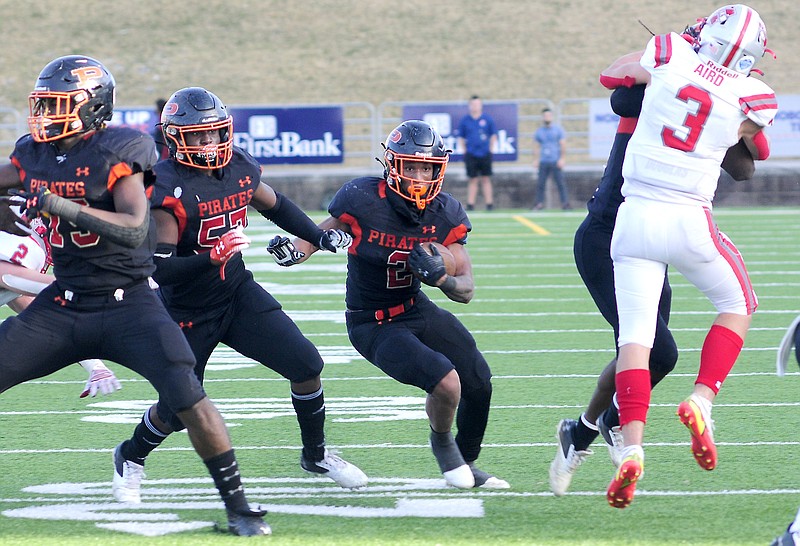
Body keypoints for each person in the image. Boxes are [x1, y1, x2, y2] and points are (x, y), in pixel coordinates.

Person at [0, 55, 269, 535]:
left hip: (130, 303)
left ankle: (239, 507)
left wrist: (63, 207)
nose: (46, 113)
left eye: (58, 103)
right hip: (65, 302)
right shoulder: (34, 153)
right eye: (43, 103)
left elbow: (131, 227)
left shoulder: (123, 148)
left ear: (92, 106)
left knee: (188, 396)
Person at [112, 87, 367, 506]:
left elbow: (275, 204)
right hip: (186, 309)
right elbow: (158, 267)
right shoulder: (169, 189)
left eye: (214, 134)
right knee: (179, 408)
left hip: (236, 293)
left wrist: (317, 237)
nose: (209, 144)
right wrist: (210, 258)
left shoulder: (238, 166)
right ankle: (130, 454)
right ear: (176, 138)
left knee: (306, 365)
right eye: (198, 136)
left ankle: (316, 455)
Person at [601, 5, 777, 509]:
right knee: (738, 303)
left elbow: (612, 73)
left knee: (635, 338)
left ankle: (631, 449)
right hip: (687, 218)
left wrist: (666, 64)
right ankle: (702, 398)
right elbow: (757, 147)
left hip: (633, 218)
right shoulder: (753, 94)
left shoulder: (669, 50)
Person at [268, 120, 509, 490]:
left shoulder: (445, 213)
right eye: (410, 166)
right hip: (372, 322)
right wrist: (292, 252)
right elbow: (318, 235)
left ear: (438, 169)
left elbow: (466, 289)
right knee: (446, 381)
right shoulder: (363, 200)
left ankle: (468, 459)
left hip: (415, 307)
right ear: (392, 165)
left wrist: (440, 278)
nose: (417, 175)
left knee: (478, 379)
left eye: (425, 167)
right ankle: (444, 446)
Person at [549, 76, 756, 496]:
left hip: (648, 237)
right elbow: (620, 95)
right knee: (655, 350)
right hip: (610, 236)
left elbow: (744, 168)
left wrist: (733, 111)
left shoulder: (698, 100)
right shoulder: (662, 87)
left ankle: (591, 428)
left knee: (649, 354)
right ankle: (594, 429)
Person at [0, 205, 122, 399]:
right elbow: (7, 276)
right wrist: (83, 287)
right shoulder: (30, 245)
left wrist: (95, 365)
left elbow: (45, 318)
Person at [457, 96, 496, 211]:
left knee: (485, 178)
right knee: (472, 179)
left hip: (484, 153)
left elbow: (493, 135)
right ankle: (470, 204)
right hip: (471, 153)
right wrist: (464, 150)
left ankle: (489, 204)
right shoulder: (465, 120)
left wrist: (491, 149)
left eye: (477, 104)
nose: (475, 107)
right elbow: (461, 137)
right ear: (470, 106)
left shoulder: (487, 119)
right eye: (473, 104)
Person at [532, 108, 570, 210]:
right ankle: (538, 203)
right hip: (544, 161)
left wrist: (562, 158)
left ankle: (565, 203)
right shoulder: (539, 131)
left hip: (555, 160)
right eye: (545, 116)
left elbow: (563, 145)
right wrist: (536, 159)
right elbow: (536, 146)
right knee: (541, 184)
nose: (547, 118)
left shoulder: (558, 130)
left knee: (560, 183)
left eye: (549, 115)